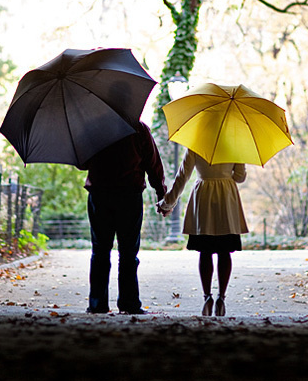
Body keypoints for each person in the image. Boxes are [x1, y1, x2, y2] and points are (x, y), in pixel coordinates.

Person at [77, 120, 166, 314]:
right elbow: (152, 162)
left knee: (100, 250)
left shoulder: (94, 128)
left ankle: (97, 304)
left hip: (99, 194)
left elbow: (82, 163)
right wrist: (160, 191)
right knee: (128, 252)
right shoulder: (139, 128)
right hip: (129, 194)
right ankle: (129, 303)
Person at [157, 147, 248, 316]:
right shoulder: (234, 143)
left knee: (205, 251)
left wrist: (167, 203)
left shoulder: (195, 144)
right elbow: (240, 177)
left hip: (203, 195)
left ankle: (207, 297)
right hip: (226, 197)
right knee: (225, 250)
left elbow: (182, 177)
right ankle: (221, 298)